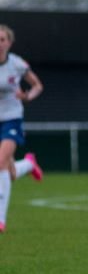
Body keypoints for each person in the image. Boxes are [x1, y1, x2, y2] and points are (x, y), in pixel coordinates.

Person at [0, 24, 44, 234]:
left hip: (12, 119)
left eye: (2, 39)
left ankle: (0, 218)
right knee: (10, 173)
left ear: (9, 43)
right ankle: (28, 163)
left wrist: (27, 96)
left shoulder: (17, 64)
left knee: (0, 163)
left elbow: (37, 85)